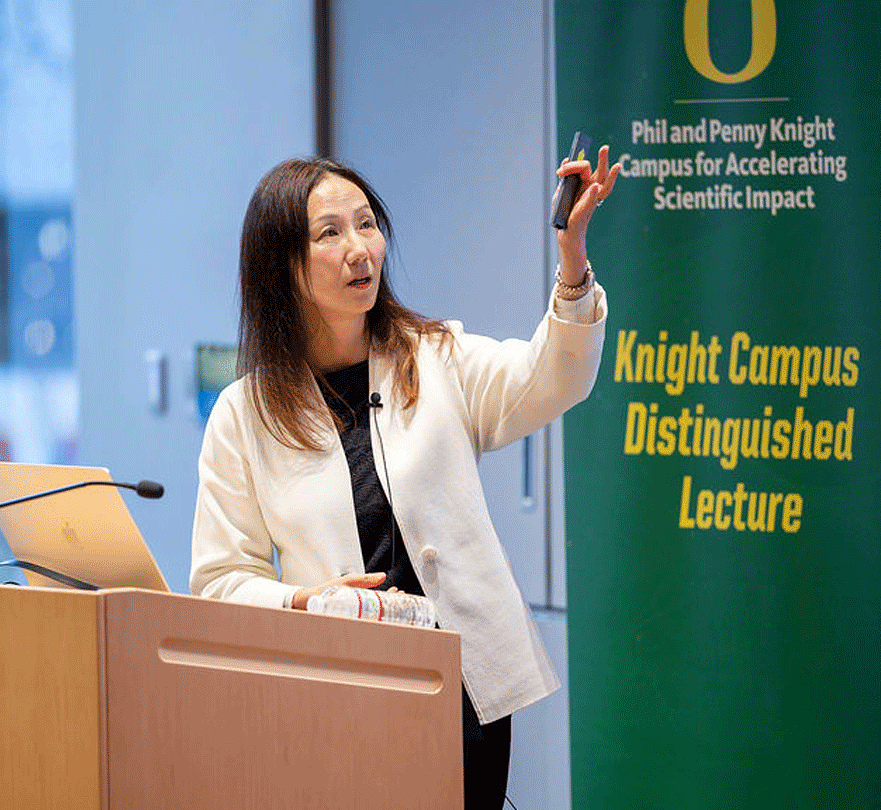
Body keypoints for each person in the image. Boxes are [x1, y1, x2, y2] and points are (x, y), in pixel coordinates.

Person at [191, 149, 618, 809]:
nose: (359, 248)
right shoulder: (243, 416)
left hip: (462, 687)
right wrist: (304, 601)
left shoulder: (436, 356)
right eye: (330, 233)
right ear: (282, 265)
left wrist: (571, 259)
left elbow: (553, 377)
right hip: (335, 688)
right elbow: (219, 580)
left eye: (367, 224)